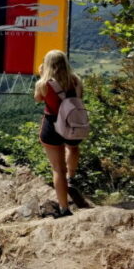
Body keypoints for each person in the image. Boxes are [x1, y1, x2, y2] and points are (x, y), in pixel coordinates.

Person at [34, 49, 87, 217]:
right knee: (73, 147)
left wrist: (41, 75)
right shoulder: (76, 80)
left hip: (52, 125)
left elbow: (38, 99)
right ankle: (72, 177)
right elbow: (79, 99)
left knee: (57, 169)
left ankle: (64, 208)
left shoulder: (43, 84)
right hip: (73, 123)